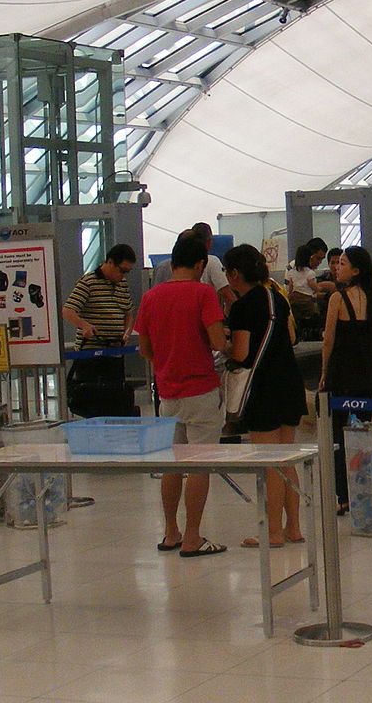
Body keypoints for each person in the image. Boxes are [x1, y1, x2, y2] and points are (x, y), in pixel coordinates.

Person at [134, 234, 227, 557]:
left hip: (167, 393)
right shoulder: (203, 293)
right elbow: (217, 342)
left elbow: (144, 348)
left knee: (172, 464)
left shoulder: (151, 297)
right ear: (201, 265)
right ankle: (193, 536)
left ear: (172, 263)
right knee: (199, 465)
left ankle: (170, 531)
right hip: (201, 389)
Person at [224, 244, 305, 547]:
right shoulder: (277, 297)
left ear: (234, 273)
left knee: (268, 461)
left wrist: (224, 347)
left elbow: (242, 353)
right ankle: (293, 528)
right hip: (289, 381)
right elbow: (290, 336)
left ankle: (272, 532)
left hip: (263, 387)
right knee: (287, 459)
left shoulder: (243, 306)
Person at [320, 246, 372, 513]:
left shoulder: (337, 299)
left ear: (356, 270)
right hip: (365, 375)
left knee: (339, 436)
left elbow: (328, 340)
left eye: (343, 263)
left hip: (341, 373)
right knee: (362, 436)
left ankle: (344, 496)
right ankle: (363, 490)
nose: (337, 267)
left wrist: (324, 371)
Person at [61, 243, 138, 417]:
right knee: (93, 402)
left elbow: (128, 313)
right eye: (122, 270)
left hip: (114, 354)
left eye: (127, 272)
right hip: (90, 356)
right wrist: (84, 325)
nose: (123, 275)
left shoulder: (122, 285)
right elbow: (67, 311)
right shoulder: (88, 282)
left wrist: (126, 333)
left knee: (115, 401)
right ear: (110, 262)